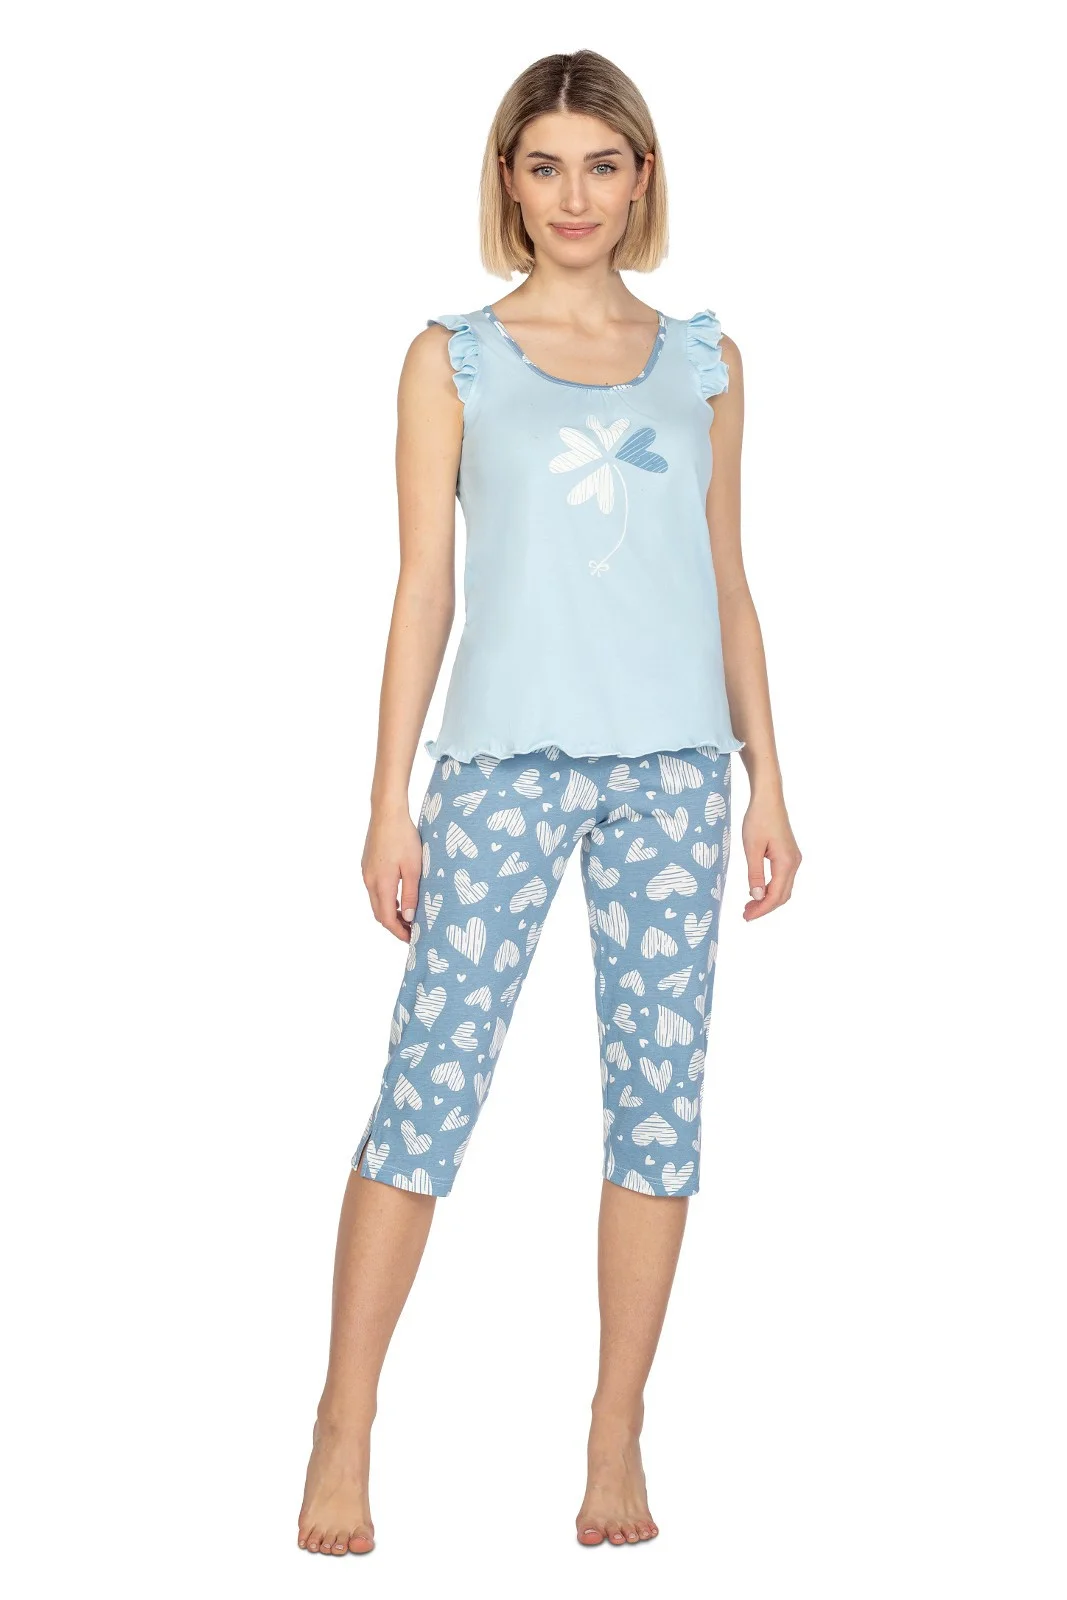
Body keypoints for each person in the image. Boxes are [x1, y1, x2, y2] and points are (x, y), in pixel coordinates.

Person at [297, 47, 802, 1556]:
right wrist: (389, 801)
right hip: (503, 768)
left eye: (601, 164)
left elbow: (726, 581)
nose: (573, 195)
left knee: (659, 1104)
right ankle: (343, 1419)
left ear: (640, 179)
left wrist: (768, 780)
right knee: (428, 1086)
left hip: (674, 773)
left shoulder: (705, 360)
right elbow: (423, 588)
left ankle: (615, 1427)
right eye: (544, 165)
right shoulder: (452, 357)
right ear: (508, 183)